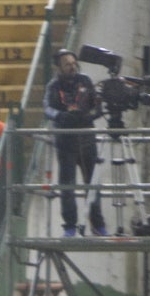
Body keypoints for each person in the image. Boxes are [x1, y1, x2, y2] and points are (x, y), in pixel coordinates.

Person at [43, 49, 105, 236]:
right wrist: (63, 116)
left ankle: (98, 224)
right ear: (59, 67)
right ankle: (70, 226)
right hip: (65, 141)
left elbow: (97, 105)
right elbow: (47, 108)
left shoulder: (85, 80)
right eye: (67, 64)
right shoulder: (54, 85)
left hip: (87, 138)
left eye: (73, 63)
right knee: (67, 185)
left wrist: (88, 115)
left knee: (92, 183)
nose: (72, 67)